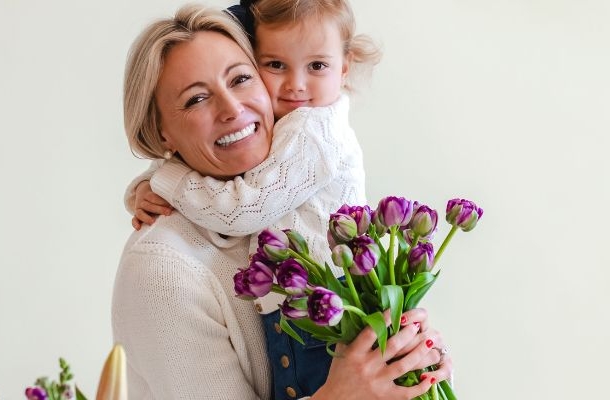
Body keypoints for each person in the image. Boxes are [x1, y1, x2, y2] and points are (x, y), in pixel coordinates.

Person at [113, 4, 451, 400]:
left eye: (240, 78)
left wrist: (407, 360)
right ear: (159, 132)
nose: (232, 109)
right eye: (196, 99)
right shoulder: (163, 268)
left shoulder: (302, 146)